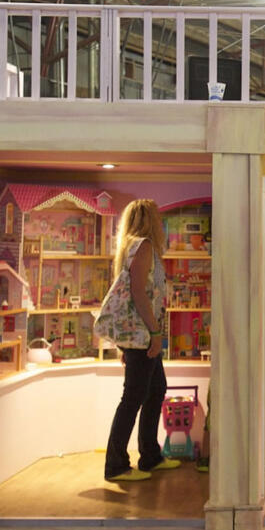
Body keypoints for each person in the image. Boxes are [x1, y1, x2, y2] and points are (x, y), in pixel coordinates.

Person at [100, 199, 180, 482]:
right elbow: (139, 293)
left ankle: (151, 455)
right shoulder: (143, 246)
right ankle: (116, 464)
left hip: (138, 334)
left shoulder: (130, 246)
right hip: (143, 334)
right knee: (133, 397)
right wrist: (155, 332)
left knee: (155, 390)